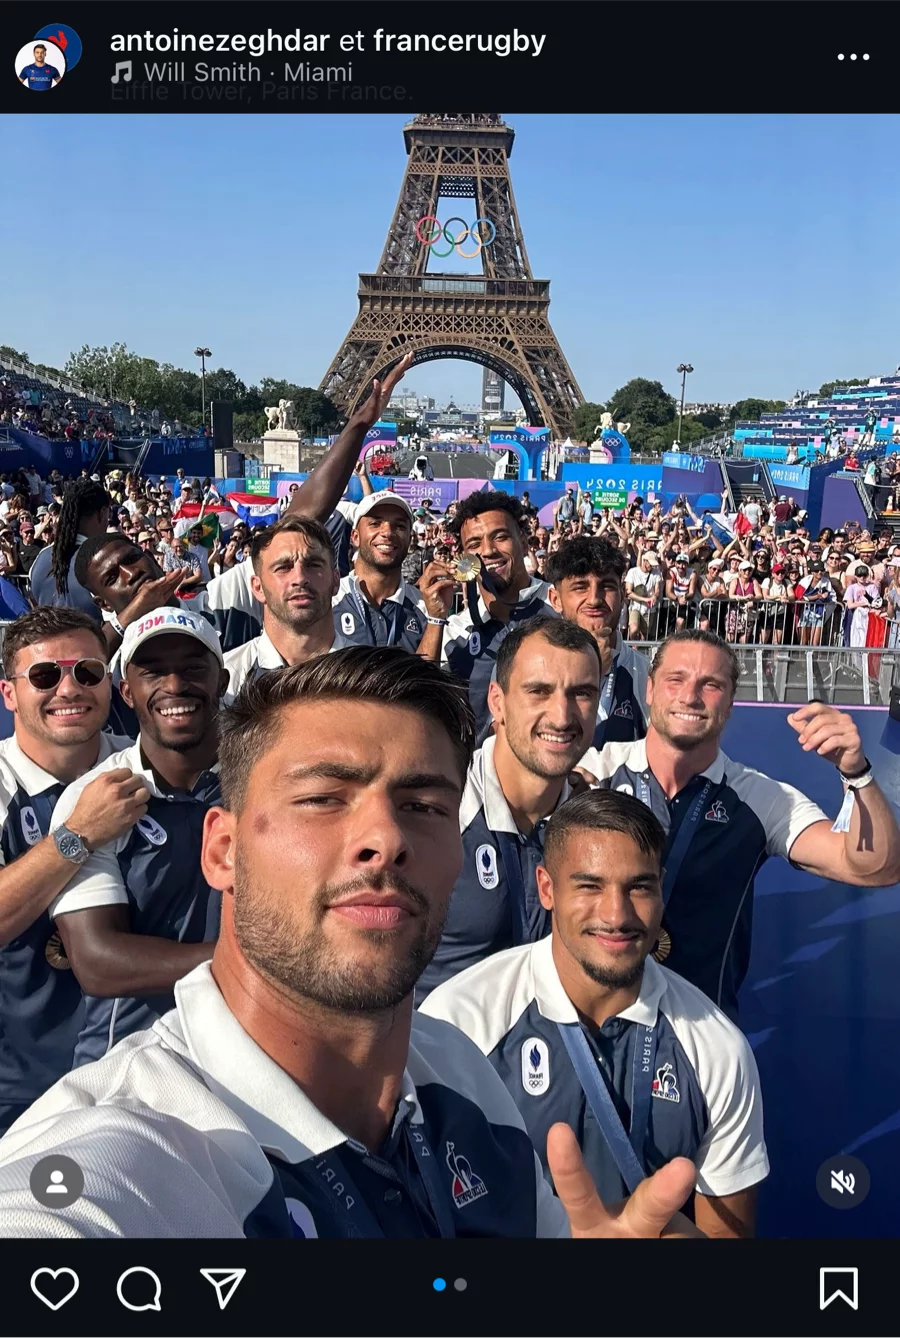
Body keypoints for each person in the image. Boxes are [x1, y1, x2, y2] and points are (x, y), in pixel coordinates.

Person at [0, 649, 700, 1241]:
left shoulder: (462, 1076)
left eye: (423, 806)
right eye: (323, 798)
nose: (386, 838)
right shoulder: (123, 1159)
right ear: (223, 851)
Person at [422, 790, 768, 1235]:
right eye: (590, 885)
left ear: (661, 888)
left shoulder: (718, 1049)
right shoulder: (458, 1023)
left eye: (639, 887)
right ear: (547, 888)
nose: (616, 915)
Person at [576, 628, 900, 1018]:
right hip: (585, 1025)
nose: (690, 696)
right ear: (650, 689)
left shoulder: (761, 799)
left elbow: (877, 867)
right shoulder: (590, 776)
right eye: (676, 679)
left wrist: (856, 771)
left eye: (710, 685)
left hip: (698, 1032)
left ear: (730, 703)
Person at [47, 608, 229, 1067]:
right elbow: (98, 961)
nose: (175, 685)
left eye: (193, 667)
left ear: (222, 681)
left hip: (248, 1045)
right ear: (127, 691)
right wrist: (250, 966)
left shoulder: (265, 781)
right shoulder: (91, 798)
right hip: (129, 1059)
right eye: (153, 672)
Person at [0, 609, 142, 1133]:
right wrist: (78, 834)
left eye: (87, 672)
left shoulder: (145, 765)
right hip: (24, 1085)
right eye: (44, 675)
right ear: (9, 693)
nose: (69, 689)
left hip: (146, 1068)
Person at [416, 616, 600, 1002]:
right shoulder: (436, 810)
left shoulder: (592, 823)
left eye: (581, 693)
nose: (562, 716)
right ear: (497, 703)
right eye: (539, 691)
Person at [441, 492, 556, 735]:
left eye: (500, 537)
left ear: (523, 542)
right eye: (474, 544)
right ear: (464, 558)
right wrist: (434, 618)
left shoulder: (560, 606)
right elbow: (421, 703)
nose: (488, 550)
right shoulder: (454, 630)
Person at [223, 516, 356, 704]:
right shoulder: (226, 681)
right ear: (258, 588)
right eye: (283, 567)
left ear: (335, 581)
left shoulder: (372, 674)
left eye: (313, 565)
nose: (299, 578)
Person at [547, 537, 649, 746]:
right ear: (555, 599)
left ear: (622, 594)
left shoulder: (647, 674)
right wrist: (590, 670)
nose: (594, 599)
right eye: (580, 587)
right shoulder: (531, 666)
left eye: (607, 586)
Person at [330, 493, 429, 654]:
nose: (387, 532)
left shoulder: (426, 609)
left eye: (399, 526)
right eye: (375, 523)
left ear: (410, 539)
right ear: (355, 537)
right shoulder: (328, 601)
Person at [29, 479, 111, 621]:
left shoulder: (41, 557)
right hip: (92, 634)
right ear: (102, 513)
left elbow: (33, 602)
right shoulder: (101, 561)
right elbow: (111, 626)